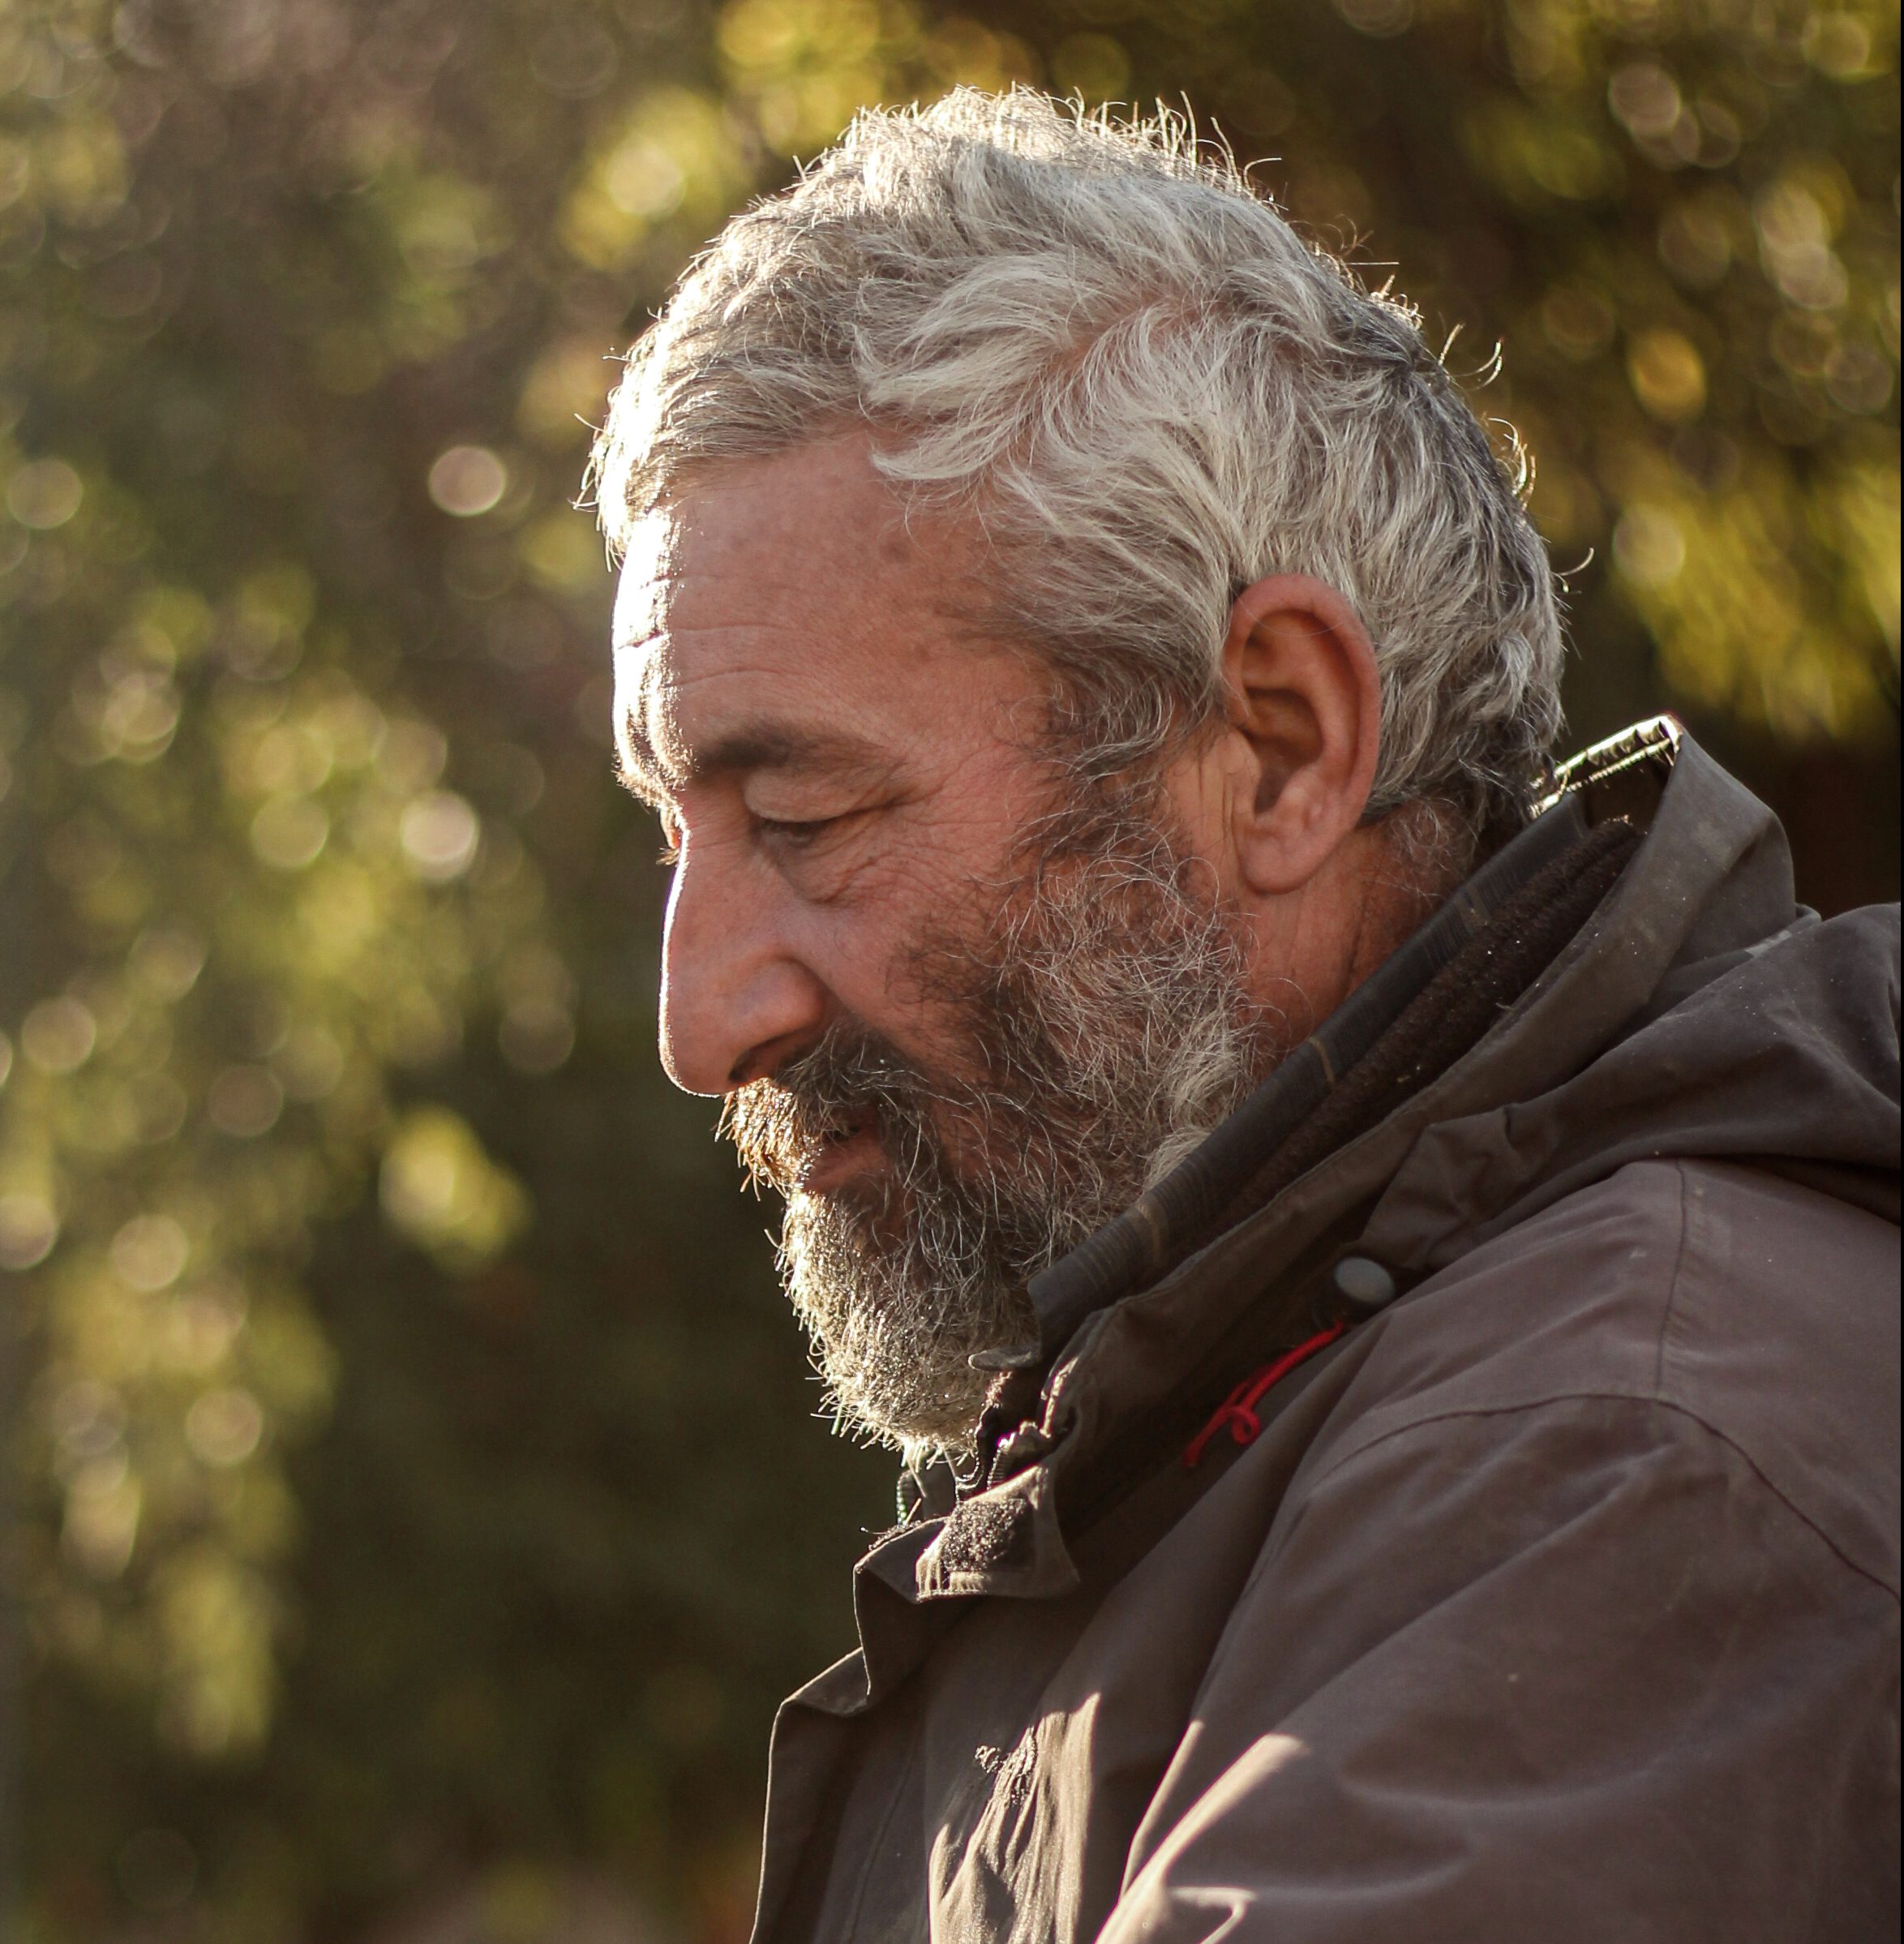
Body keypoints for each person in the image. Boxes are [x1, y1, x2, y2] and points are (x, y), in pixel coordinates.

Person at [591, 87, 1899, 1942]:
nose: (696, 1018)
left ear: (1278, 745)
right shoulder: (1222, 1417)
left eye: (801, 818)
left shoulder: (1616, 1458)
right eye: (674, 834)